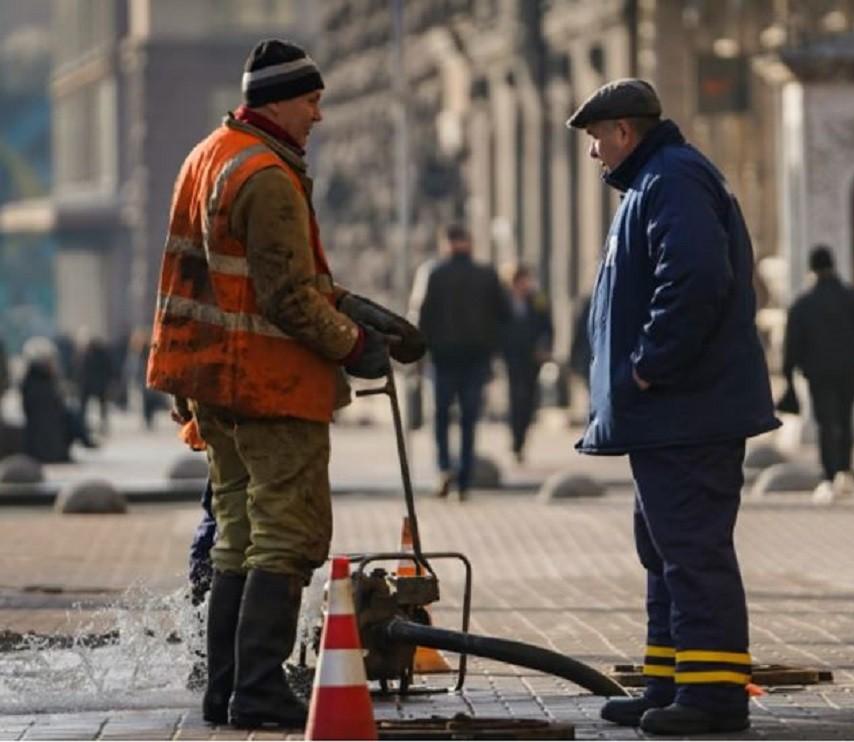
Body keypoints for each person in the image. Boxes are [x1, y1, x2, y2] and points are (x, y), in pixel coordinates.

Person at [145, 39, 424, 730]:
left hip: (215, 383)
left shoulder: (211, 153)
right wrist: (354, 343)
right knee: (286, 535)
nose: (318, 116)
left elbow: (255, 276)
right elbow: (285, 297)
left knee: (238, 535)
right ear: (277, 102)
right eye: (310, 101)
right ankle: (261, 689)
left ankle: (229, 688)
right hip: (265, 383)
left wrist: (351, 303)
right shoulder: (266, 174)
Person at [568, 79, 779, 735]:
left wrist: (650, 367)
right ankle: (670, 681)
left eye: (598, 139)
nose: (596, 153)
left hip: (689, 411)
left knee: (691, 548)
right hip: (670, 417)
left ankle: (713, 696)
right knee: (663, 549)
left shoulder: (673, 180)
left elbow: (693, 279)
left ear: (625, 131)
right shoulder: (656, 181)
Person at [783, 246, 854, 503]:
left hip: (818, 371)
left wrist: (788, 373)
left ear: (812, 269)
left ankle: (829, 477)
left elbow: (792, 343)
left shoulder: (803, 302)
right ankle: (846, 472)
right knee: (845, 419)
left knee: (825, 423)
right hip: (850, 369)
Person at [417, 225, 510, 500]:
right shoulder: (486, 274)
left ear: (446, 244)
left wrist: (420, 354)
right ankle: (465, 479)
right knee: (469, 419)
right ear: (469, 243)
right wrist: (493, 349)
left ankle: (445, 469)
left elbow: (422, 315)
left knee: (441, 416)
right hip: (476, 359)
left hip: (443, 358)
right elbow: (503, 315)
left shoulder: (434, 273)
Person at [501, 265, 553, 464]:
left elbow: (547, 325)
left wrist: (545, 346)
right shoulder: (504, 300)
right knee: (516, 397)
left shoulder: (537, 299)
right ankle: (516, 440)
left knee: (529, 399)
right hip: (512, 357)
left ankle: (521, 435)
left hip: (533, 357)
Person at [20, 336, 95, 463]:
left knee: (72, 413)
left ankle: (86, 440)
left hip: (36, 448)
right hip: (52, 448)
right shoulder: (45, 385)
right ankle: (86, 440)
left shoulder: (30, 383)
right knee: (72, 414)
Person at [77, 333, 115, 436]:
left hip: (89, 385)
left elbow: (81, 370)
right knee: (101, 407)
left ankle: (83, 424)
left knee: (86, 406)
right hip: (99, 385)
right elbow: (109, 369)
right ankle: (98, 425)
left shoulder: (87, 354)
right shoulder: (103, 354)